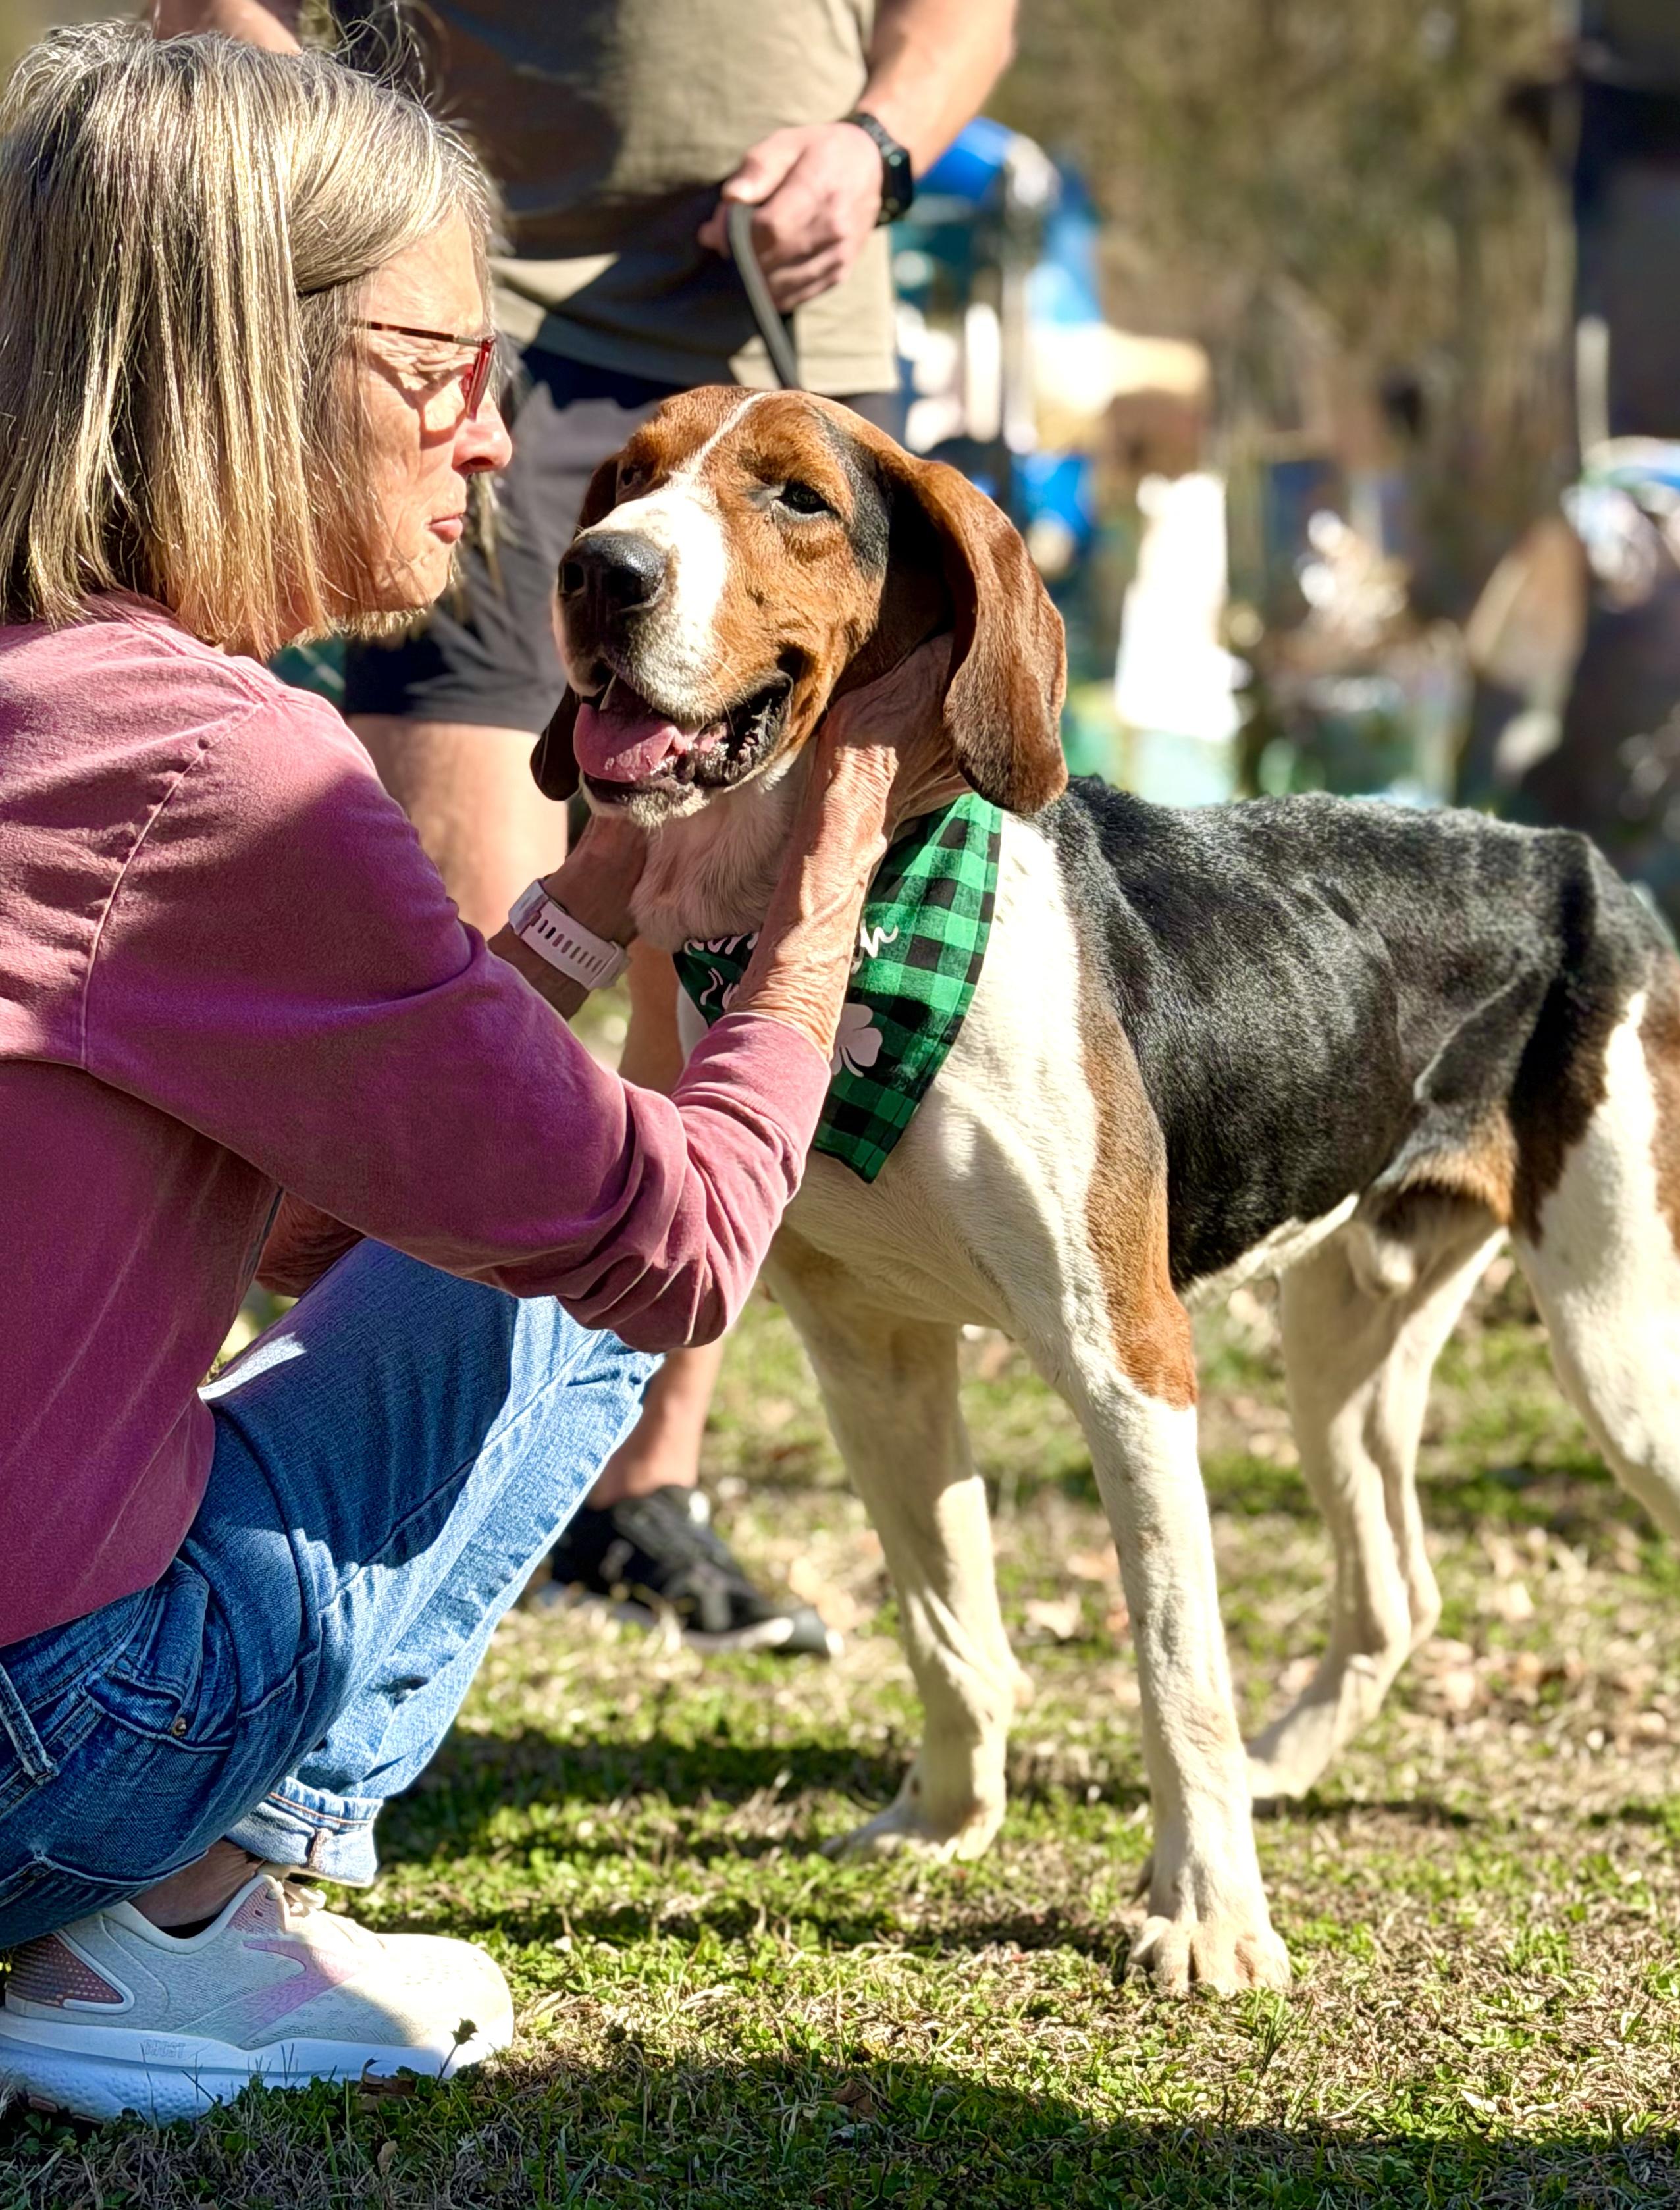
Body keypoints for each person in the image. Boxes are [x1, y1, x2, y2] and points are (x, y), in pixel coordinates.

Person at [0, 24, 954, 2122]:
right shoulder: (218, 765)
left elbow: (304, 1219)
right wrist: (805, 908)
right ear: (254, 362)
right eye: (448, 365)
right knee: (586, 1267)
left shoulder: (52, 695)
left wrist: (594, 893)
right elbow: (676, 1247)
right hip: (37, 1748)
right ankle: (190, 1905)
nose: (494, 442)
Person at [151, 0, 1018, 1654]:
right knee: (487, 977)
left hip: (800, 311)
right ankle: (353, 1520)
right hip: (474, 292)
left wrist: (879, 143)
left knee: (692, 939)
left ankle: (636, 1488)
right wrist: (358, 184)